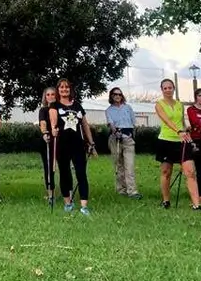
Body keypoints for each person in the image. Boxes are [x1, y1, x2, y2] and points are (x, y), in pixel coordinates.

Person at [48, 78, 95, 215]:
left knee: (81, 174)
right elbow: (53, 123)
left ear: (70, 89)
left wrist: (91, 142)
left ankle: (84, 206)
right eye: (61, 87)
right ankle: (68, 202)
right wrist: (53, 130)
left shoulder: (78, 106)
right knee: (65, 173)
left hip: (78, 144)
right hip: (62, 144)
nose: (64, 89)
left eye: (67, 87)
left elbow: (85, 125)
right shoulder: (54, 106)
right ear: (58, 89)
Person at [154, 78, 201, 211]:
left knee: (190, 172)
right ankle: (166, 200)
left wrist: (187, 131)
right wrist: (178, 131)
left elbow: (181, 122)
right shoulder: (159, 104)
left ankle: (197, 205)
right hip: (166, 141)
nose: (168, 90)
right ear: (162, 90)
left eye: (170, 87)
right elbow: (167, 120)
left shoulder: (180, 105)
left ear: (174, 88)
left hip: (181, 141)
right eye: (165, 88)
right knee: (166, 172)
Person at [105, 87, 141, 199]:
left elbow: (134, 122)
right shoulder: (108, 110)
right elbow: (111, 124)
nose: (117, 96)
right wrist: (116, 132)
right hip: (115, 139)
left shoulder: (128, 108)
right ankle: (121, 189)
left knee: (129, 165)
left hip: (128, 138)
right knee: (119, 165)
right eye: (115, 94)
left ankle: (132, 191)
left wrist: (131, 133)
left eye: (119, 94)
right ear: (111, 96)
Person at [37, 87, 58, 203]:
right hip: (47, 141)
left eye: (53, 94)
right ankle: (51, 195)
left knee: (64, 168)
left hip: (60, 141)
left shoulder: (60, 109)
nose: (50, 97)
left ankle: (67, 193)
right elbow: (42, 123)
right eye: (48, 95)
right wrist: (45, 133)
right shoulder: (43, 110)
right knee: (49, 169)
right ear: (45, 97)